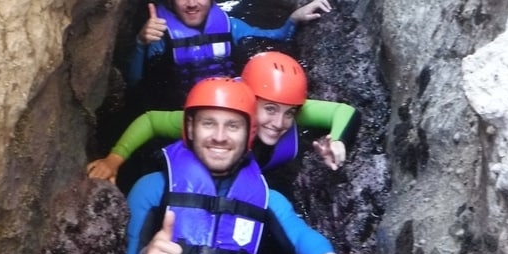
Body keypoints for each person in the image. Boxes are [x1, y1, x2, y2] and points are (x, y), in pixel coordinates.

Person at [120, 77, 379, 254]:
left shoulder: (266, 198)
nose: (220, 137)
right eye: (208, 123)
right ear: (190, 127)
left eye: (233, 126)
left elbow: (299, 235)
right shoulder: (150, 190)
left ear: (249, 133)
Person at [87, 52, 360, 184]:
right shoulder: (215, 120)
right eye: (270, 110)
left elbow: (345, 111)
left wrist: (337, 141)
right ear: (247, 99)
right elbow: (150, 121)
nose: (279, 123)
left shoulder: (286, 109)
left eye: (289, 113)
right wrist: (115, 159)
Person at [127, 0, 332, 107]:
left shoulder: (231, 27)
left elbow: (277, 38)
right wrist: (140, 43)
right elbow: (134, 84)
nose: (191, 4)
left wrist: (293, 19)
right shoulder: (160, 35)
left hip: (229, 104)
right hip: (182, 110)